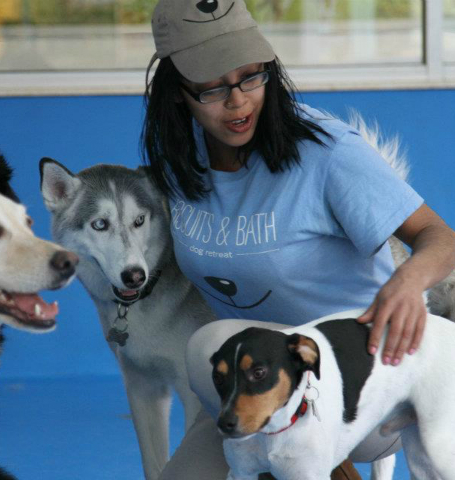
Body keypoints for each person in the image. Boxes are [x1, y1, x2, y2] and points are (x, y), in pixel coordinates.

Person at [140, 0, 455, 478]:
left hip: (361, 382)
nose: (239, 100)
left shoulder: (327, 152)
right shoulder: (180, 166)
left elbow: (440, 237)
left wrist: (409, 282)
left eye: (251, 75)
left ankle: (331, 458)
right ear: (176, 91)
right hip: (255, 389)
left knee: (211, 341)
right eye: (212, 87)